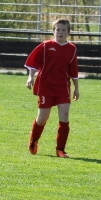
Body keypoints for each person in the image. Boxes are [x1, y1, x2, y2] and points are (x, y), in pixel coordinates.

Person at [25, 18, 80, 158]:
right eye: (57, 29)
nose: (60, 32)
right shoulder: (45, 46)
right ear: (53, 31)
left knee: (65, 116)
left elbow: (73, 70)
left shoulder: (72, 49)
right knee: (42, 118)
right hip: (46, 86)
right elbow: (33, 62)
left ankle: (60, 150)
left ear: (68, 32)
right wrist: (30, 77)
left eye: (63, 30)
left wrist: (76, 88)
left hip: (62, 86)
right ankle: (33, 141)